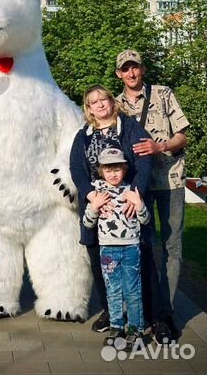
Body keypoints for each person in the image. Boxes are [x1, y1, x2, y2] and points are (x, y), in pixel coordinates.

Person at [116, 49, 190, 341]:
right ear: (119, 74)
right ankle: (147, 308)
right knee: (142, 246)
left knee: (172, 247)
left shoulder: (162, 94)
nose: (131, 74)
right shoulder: (116, 104)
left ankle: (167, 313)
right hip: (139, 186)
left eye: (135, 68)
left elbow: (183, 134)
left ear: (142, 69)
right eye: (126, 69)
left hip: (170, 179)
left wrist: (159, 147)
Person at [69, 84, 152, 336]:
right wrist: (92, 195)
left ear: (110, 102)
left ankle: (141, 317)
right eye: (94, 102)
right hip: (98, 208)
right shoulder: (83, 135)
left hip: (127, 208)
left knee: (136, 267)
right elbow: (76, 168)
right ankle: (111, 314)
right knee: (100, 264)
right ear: (89, 108)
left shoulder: (128, 127)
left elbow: (143, 160)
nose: (101, 104)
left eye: (104, 99)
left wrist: (134, 193)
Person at [83, 147, 150, 351]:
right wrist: (94, 207)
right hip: (108, 250)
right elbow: (87, 223)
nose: (113, 174)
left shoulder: (132, 191)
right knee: (113, 291)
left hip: (130, 248)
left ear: (124, 169)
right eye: (108, 169)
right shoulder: (97, 194)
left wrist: (139, 205)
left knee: (132, 290)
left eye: (117, 169)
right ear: (101, 171)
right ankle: (116, 327)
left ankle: (136, 330)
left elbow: (145, 220)